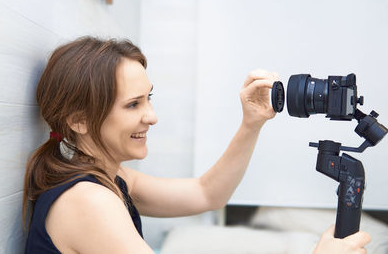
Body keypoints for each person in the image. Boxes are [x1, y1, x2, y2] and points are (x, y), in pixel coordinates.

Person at [23, 36, 371, 254]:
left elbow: (207, 194)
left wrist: (251, 123)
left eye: (149, 99)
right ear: (78, 119)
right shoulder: (87, 201)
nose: (152, 117)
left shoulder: (110, 180)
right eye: (133, 105)